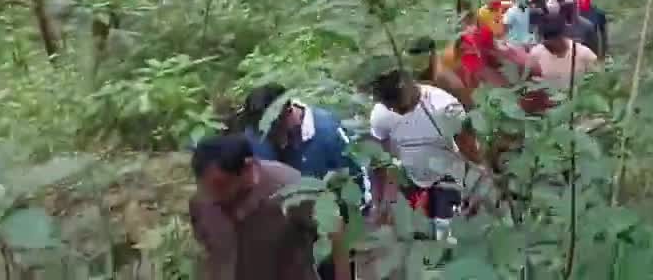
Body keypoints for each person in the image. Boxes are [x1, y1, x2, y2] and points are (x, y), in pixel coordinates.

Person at [188, 134, 350, 280]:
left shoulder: (290, 188)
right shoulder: (202, 202)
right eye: (205, 187)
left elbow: (335, 230)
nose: (212, 196)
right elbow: (208, 251)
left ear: (247, 169)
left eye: (221, 186)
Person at [362, 63, 490, 224]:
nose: (394, 110)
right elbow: (379, 160)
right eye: (390, 107)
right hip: (411, 180)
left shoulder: (445, 109)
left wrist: (475, 191)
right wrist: (378, 201)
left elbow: (471, 154)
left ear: (407, 85)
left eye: (398, 105)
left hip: (447, 182)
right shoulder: (381, 114)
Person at [529, 14, 598, 89]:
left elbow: (596, 82)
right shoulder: (536, 54)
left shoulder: (584, 54)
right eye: (544, 43)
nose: (546, 46)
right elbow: (531, 81)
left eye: (549, 44)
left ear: (560, 38)